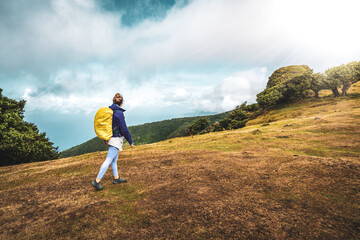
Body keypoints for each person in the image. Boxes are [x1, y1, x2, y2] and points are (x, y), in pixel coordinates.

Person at [91, 93, 134, 191]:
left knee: (114, 160)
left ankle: (116, 178)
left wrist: (105, 138)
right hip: (116, 139)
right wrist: (130, 141)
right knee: (109, 160)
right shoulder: (119, 113)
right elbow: (124, 129)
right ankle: (97, 181)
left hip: (111, 138)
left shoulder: (110, 111)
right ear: (122, 103)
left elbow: (107, 126)